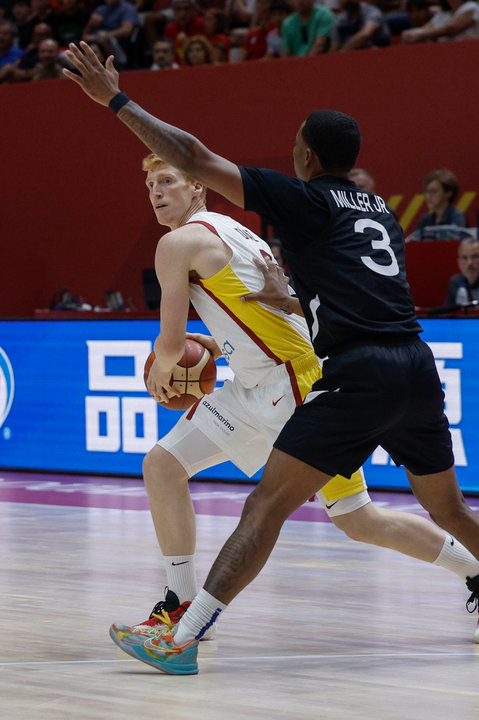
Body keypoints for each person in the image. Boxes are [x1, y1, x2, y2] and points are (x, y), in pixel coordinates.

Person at [63, 45, 479, 675]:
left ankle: (184, 637)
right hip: (367, 365)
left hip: (300, 384)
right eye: (150, 182)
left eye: (165, 179)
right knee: (163, 466)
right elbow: (308, 284)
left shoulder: (231, 225)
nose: (157, 188)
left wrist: (115, 101)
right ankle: (178, 606)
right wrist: (292, 299)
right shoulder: (375, 214)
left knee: (325, 517)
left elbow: (169, 348)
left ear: (306, 155)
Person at [414, 168, 468, 240]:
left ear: (448, 193)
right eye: (427, 191)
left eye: (434, 191)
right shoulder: (425, 220)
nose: (428, 196)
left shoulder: (457, 217)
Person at [402, 0, 479, 43]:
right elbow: (425, 29)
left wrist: (420, 35)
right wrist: (409, 34)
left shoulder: (471, 6)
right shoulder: (443, 13)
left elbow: (451, 28)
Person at [445, 238, 479, 306]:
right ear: (459, 262)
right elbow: (447, 314)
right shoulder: (456, 282)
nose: (469, 263)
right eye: (464, 258)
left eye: (475, 257)